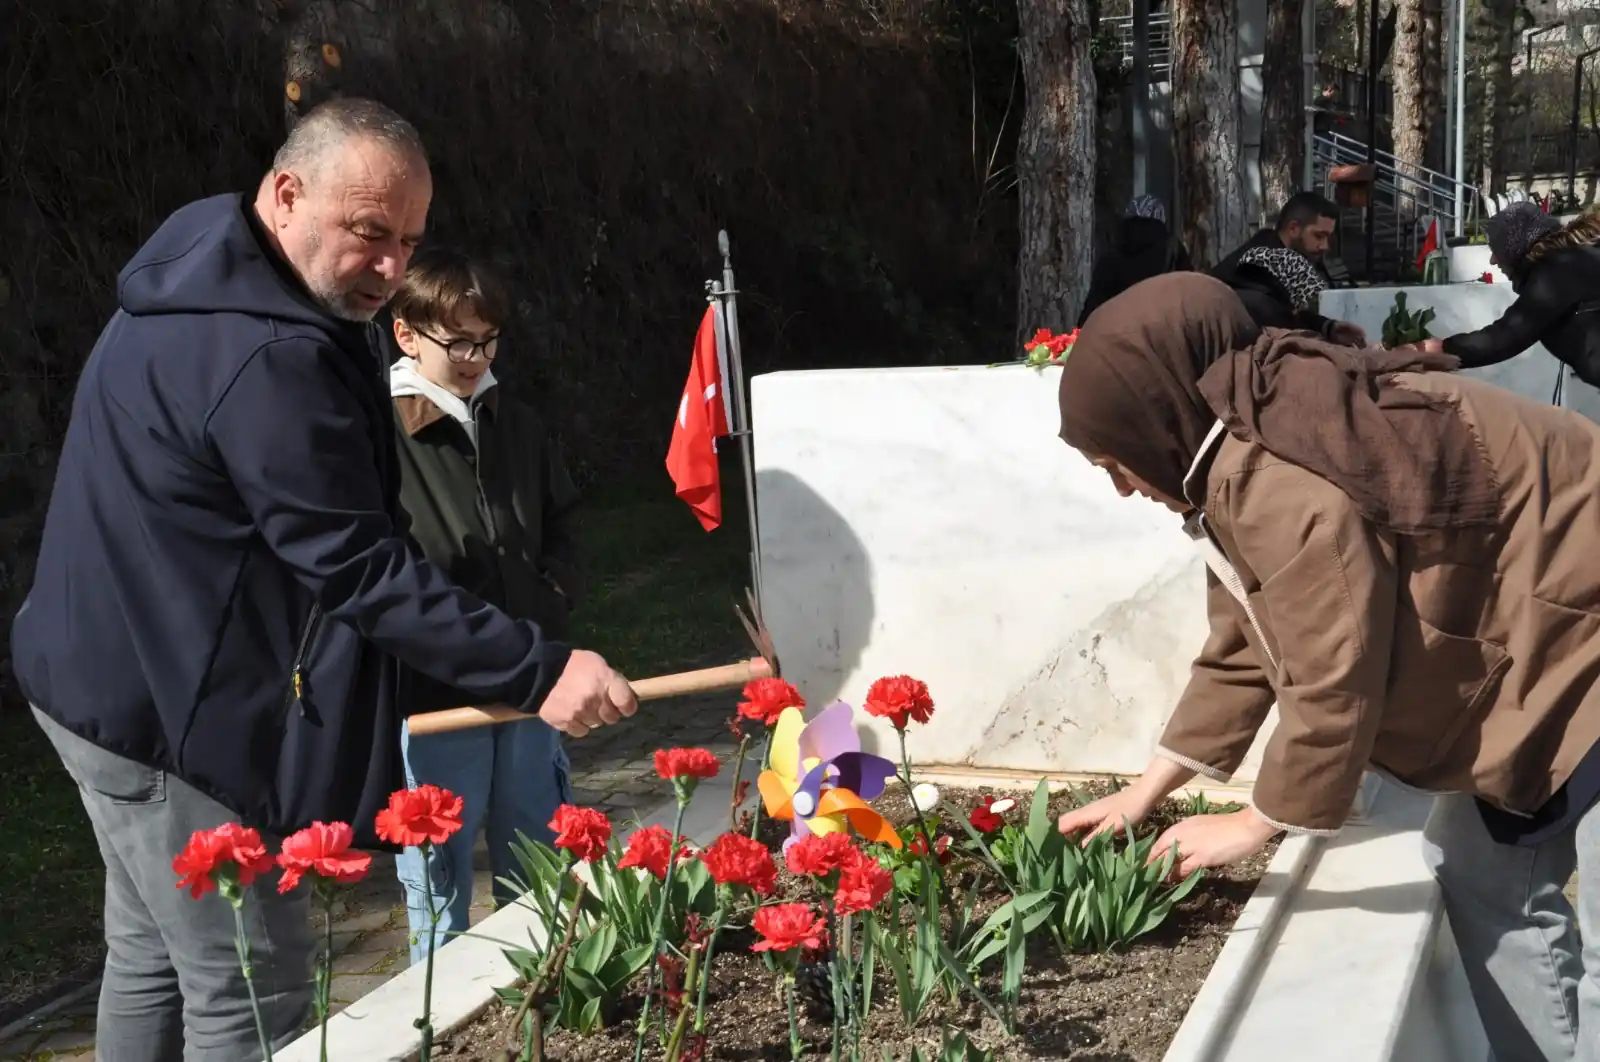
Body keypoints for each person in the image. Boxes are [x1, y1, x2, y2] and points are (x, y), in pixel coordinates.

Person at [9, 98, 637, 1061]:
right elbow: (356, 565)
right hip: (164, 717)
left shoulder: (221, 273)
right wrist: (536, 670)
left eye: (410, 239)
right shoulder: (265, 353)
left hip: (94, 670)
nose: (392, 268)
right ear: (286, 192)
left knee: (149, 956)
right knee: (250, 983)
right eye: (369, 234)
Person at [1053, 271, 1600, 1061]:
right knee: (1482, 873)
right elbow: (1248, 644)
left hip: (1575, 642)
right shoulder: (1257, 436)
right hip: (1556, 656)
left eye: (1113, 461)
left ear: (1154, 416)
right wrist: (1147, 793)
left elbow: (1331, 665)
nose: (1121, 488)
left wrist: (1256, 821)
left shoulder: (1278, 474)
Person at [385, 248, 583, 963]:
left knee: (538, 870)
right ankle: (442, 1026)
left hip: (532, 682)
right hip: (434, 697)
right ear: (406, 333)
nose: (474, 356)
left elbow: (562, 519)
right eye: (457, 341)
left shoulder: (515, 423)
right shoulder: (379, 432)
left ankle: (542, 1010)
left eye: (487, 339)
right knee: (438, 894)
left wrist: (554, 593)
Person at [1405, 202, 1600, 388]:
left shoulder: (1556, 272)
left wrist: (1443, 349)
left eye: (1496, 250)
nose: (1492, 260)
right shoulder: (1569, 262)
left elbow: (1506, 336)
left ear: (1514, 248)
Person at [1213, 191, 1365, 345]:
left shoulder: (1272, 248)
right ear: (1293, 228)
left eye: (1328, 237)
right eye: (1319, 236)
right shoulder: (1268, 259)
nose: (1325, 246)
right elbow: (1281, 319)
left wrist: (1328, 327)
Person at [1077, 195, 1193, 326]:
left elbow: (1093, 307)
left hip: (1117, 332)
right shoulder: (1172, 249)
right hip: (1160, 331)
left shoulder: (1113, 252)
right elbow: (1189, 294)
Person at [1218, 245, 1365, 343]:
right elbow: (1289, 325)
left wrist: (1328, 326)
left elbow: (1291, 317)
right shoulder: (1261, 307)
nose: (1302, 307)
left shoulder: (1238, 291)